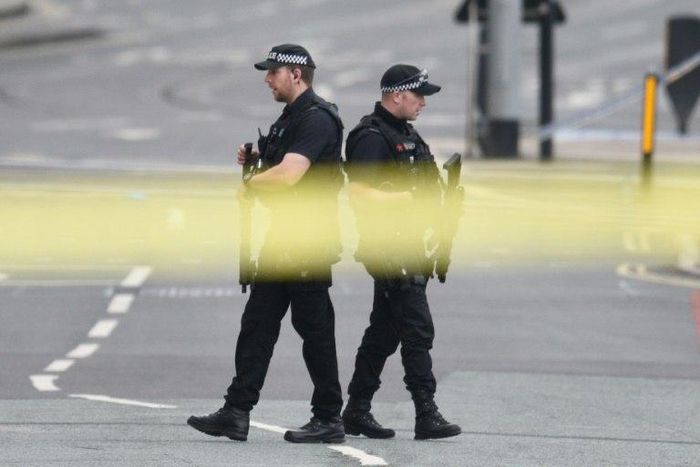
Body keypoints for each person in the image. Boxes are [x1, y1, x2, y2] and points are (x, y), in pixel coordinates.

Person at [187, 44, 346, 444]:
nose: (267, 78)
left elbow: (291, 174)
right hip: (282, 237)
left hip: (308, 238)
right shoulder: (291, 118)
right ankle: (236, 412)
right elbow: (284, 161)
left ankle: (329, 417)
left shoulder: (318, 119)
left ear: (296, 74)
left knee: (314, 330)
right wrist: (256, 158)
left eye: (273, 71)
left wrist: (251, 187)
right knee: (257, 325)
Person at [341, 64, 462, 440]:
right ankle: (426, 412)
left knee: (385, 331)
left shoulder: (406, 134)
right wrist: (409, 199)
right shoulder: (372, 136)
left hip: (411, 245)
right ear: (397, 94)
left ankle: (357, 409)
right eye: (418, 94)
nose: (423, 102)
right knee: (417, 328)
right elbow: (359, 193)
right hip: (388, 248)